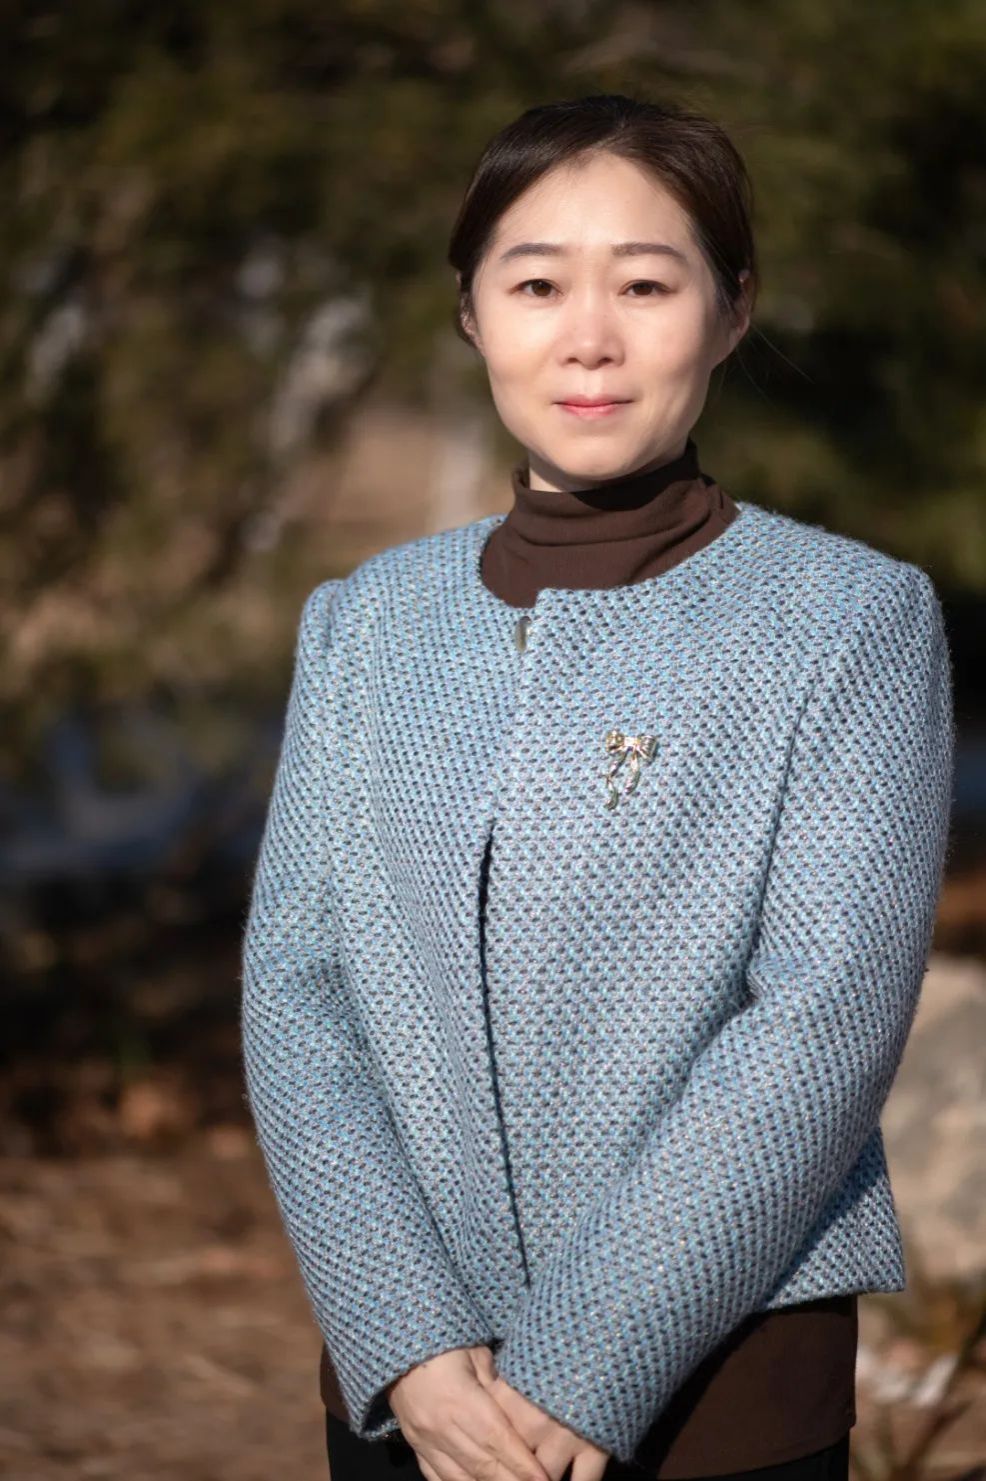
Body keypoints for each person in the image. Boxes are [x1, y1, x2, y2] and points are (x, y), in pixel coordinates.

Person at [240, 95, 954, 1481]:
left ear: (731, 311)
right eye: (535, 285)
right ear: (470, 313)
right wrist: (406, 1340)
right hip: (417, 1395)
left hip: (719, 1396)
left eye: (644, 285)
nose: (588, 338)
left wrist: (586, 1365)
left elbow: (821, 1018)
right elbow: (297, 988)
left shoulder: (846, 619)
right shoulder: (366, 620)